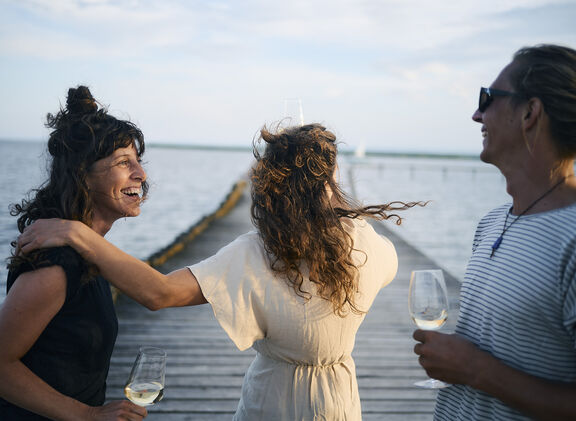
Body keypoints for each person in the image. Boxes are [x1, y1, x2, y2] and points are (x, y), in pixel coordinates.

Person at [17, 123, 422, 420]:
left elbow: (159, 293)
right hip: (340, 401)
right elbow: (388, 265)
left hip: (272, 402)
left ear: (270, 186)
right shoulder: (368, 244)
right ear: (331, 180)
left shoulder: (257, 252)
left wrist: (78, 235)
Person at [412, 44, 576, 420]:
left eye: (487, 98)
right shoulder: (492, 222)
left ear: (530, 113)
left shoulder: (572, 238)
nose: (476, 114)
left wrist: (474, 369)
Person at [0, 86, 149, 420]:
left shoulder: (86, 251)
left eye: (138, 162)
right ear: (83, 174)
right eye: (124, 163)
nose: (140, 174)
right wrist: (88, 415)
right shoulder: (55, 265)